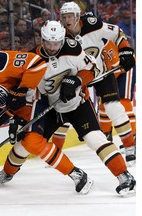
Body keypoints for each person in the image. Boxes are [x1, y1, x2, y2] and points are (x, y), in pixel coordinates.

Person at [0, 21, 136, 197]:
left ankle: (124, 175)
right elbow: (27, 93)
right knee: (26, 142)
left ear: (62, 39)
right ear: (42, 39)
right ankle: (7, 173)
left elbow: (93, 69)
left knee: (94, 139)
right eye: (49, 43)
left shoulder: (73, 49)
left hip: (77, 104)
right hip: (50, 106)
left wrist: (77, 81)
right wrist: (19, 119)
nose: (53, 47)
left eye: (57, 43)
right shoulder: (32, 59)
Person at [0, 38, 94, 195]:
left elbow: (37, 63)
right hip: (4, 103)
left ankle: (75, 173)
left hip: (30, 99)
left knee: (32, 142)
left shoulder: (1, 61)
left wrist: (22, 89)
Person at [56, 1, 136, 166]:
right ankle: (56, 151)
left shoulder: (93, 25)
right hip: (78, 78)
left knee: (114, 107)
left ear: (78, 16)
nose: (67, 19)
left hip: (101, 72)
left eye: (70, 16)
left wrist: (125, 49)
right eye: (64, 16)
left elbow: (117, 32)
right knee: (63, 109)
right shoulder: (60, 34)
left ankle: (130, 147)